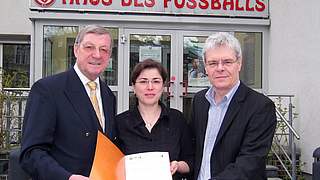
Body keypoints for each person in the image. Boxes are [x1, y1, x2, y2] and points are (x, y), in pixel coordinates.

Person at [19, 25, 117, 180]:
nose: (97, 55)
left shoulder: (108, 95)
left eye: (104, 49)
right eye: (89, 47)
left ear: (109, 55)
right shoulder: (48, 90)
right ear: (76, 50)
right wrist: (67, 177)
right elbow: (31, 153)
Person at [192, 32, 276, 180]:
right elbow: (194, 149)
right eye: (212, 63)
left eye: (227, 62)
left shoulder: (261, 107)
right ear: (205, 67)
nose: (220, 68)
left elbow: (250, 163)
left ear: (239, 63)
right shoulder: (199, 101)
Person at [116, 59, 194, 180]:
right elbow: (112, 165)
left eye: (156, 81)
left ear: (163, 87)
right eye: (143, 81)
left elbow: (191, 161)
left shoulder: (177, 120)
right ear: (134, 87)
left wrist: (177, 166)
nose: (150, 87)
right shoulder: (120, 123)